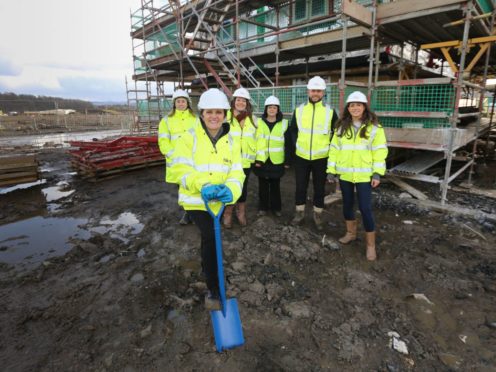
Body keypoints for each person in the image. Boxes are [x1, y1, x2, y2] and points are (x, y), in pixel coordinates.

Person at [168, 88, 245, 309]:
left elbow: (237, 171)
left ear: (225, 114)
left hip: (218, 201)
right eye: (209, 112)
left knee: (211, 239)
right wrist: (203, 185)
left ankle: (212, 275)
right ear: (201, 113)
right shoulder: (187, 139)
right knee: (211, 237)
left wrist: (232, 189)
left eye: (218, 112)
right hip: (196, 201)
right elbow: (180, 170)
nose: (214, 116)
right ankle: (213, 289)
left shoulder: (232, 141)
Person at [326, 91, 388, 261]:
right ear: (348, 108)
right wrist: (331, 170)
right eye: (352, 105)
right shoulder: (340, 127)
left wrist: (377, 173)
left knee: (366, 209)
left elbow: (380, 151)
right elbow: (334, 149)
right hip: (345, 174)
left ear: (364, 107)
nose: (355, 108)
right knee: (347, 205)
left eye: (358, 105)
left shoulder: (375, 128)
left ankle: (370, 245)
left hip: (364, 176)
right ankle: (350, 233)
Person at [288, 76, 338, 231]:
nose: (315, 93)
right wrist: (296, 147)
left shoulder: (330, 112)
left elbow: (335, 135)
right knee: (300, 187)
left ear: (323, 92)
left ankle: (318, 215)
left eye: (318, 91)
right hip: (302, 157)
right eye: (313, 90)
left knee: (319, 188)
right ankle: (299, 213)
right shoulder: (299, 110)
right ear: (308, 91)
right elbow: (293, 131)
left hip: (321, 158)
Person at [157, 89, 198, 225]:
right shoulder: (166, 121)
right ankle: (188, 212)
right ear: (174, 104)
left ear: (188, 103)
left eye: (183, 101)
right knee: (181, 188)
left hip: (193, 160)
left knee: (193, 186)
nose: (181, 104)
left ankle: (190, 214)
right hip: (177, 162)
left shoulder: (195, 119)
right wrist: (172, 154)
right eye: (178, 101)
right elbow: (163, 141)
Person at [224, 87, 257, 228]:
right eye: (238, 100)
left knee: (243, 187)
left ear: (247, 103)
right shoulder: (226, 117)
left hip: (246, 161)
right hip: (229, 161)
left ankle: (241, 211)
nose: (241, 103)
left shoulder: (253, 119)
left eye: (243, 100)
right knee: (230, 185)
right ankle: (227, 212)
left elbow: (258, 139)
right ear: (234, 102)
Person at [253, 95, 291, 217]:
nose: (272, 110)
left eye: (274, 107)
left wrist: (287, 161)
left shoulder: (284, 124)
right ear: (266, 109)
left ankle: (276, 208)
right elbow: (253, 141)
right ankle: (263, 207)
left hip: (277, 160)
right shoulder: (258, 123)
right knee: (262, 185)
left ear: (278, 109)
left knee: (275, 185)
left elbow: (289, 143)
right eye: (270, 107)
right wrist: (255, 158)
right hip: (261, 160)